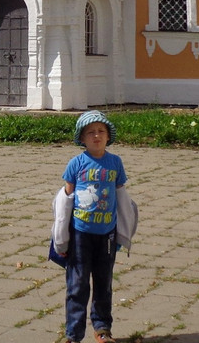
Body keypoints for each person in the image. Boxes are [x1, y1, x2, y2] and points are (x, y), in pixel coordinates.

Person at [51, 110, 137, 343]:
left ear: (108, 136)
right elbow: (65, 202)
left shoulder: (115, 163)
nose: (96, 136)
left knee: (103, 282)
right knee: (77, 285)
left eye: (101, 131)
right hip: (81, 234)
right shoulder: (76, 164)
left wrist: (124, 232)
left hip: (106, 234)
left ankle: (102, 329)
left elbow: (121, 197)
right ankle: (73, 334)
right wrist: (61, 237)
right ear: (82, 138)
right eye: (90, 132)